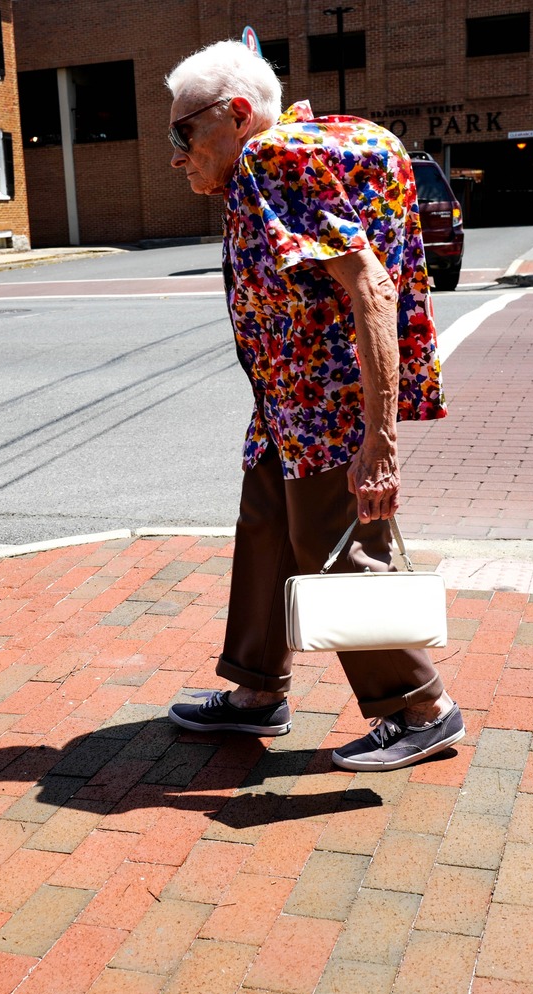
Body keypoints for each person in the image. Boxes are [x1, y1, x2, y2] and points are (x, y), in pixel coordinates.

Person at [162, 40, 461, 771]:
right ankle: (256, 690)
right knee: (267, 528)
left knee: (339, 550)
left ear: (237, 115)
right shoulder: (283, 156)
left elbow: (372, 286)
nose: (176, 156)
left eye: (184, 133)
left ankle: (421, 708)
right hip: (287, 404)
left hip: (325, 406)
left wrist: (380, 441)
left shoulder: (272, 159)